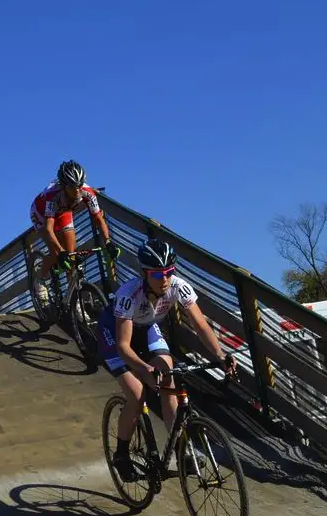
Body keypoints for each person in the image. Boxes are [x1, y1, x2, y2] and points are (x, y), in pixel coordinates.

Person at [97, 238, 237, 482]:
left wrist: (221, 355)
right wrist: (144, 367)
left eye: (169, 272)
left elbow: (200, 325)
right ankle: (121, 454)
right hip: (116, 334)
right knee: (137, 393)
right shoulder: (130, 294)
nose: (165, 279)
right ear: (144, 273)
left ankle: (180, 449)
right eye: (158, 274)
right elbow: (123, 346)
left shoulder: (178, 286)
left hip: (148, 328)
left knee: (170, 382)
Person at [30, 159, 121, 303]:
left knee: (71, 256)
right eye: (73, 187)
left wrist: (108, 241)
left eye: (79, 185)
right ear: (63, 185)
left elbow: (98, 219)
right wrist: (61, 252)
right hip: (41, 213)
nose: (77, 190)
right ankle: (40, 278)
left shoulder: (87, 192)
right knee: (56, 252)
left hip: (64, 211)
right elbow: (48, 229)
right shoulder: (52, 196)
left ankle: (74, 301)